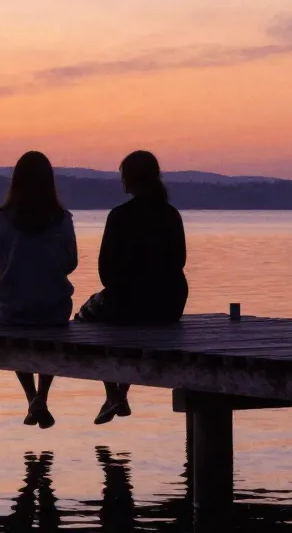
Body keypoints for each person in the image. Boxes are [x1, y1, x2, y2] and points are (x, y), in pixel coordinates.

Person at [76, 150, 188, 424]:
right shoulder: (171, 214)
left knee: (85, 319)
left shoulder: (119, 216)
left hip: (130, 305)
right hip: (169, 305)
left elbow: (106, 274)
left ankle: (114, 393)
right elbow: (180, 261)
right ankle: (118, 394)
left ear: (128, 179)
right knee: (124, 320)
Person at [0, 150, 78, 429]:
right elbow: (70, 262)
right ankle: (42, 395)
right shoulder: (61, 218)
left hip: (13, 311)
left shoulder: (2, 218)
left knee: (4, 319)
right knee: (49, 334)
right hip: (54, 310)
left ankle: (32, 398)